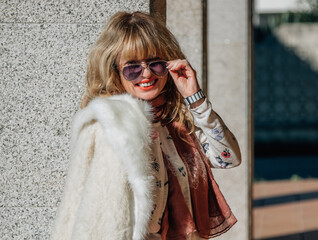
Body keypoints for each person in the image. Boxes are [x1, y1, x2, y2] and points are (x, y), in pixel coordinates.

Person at [51, 11, 241, 240]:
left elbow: (228, 157)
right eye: (132, 67)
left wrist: (196, 99)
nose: (147, 74)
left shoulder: (175, 126)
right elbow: (103, 217)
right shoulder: (110, 129)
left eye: (156, 63)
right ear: (115, 72)